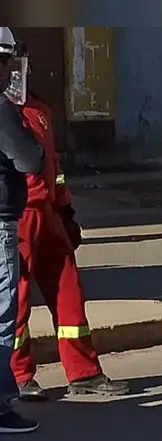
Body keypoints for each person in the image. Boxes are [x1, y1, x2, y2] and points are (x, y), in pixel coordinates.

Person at [13, 69, 129, 400]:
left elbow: (54, 165)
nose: (16, 70)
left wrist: (65, 211)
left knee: (68, 291)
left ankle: (83, 373)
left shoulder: (38, 109)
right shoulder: (5, 110)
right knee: (15, 299)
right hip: (17, 215)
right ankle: (18, 376)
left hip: (47, 212)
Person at [0, 27, 43, 433]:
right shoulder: (2, 108)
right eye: (9, 61)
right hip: (0, 223)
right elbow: (30, 160)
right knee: (2, 315)